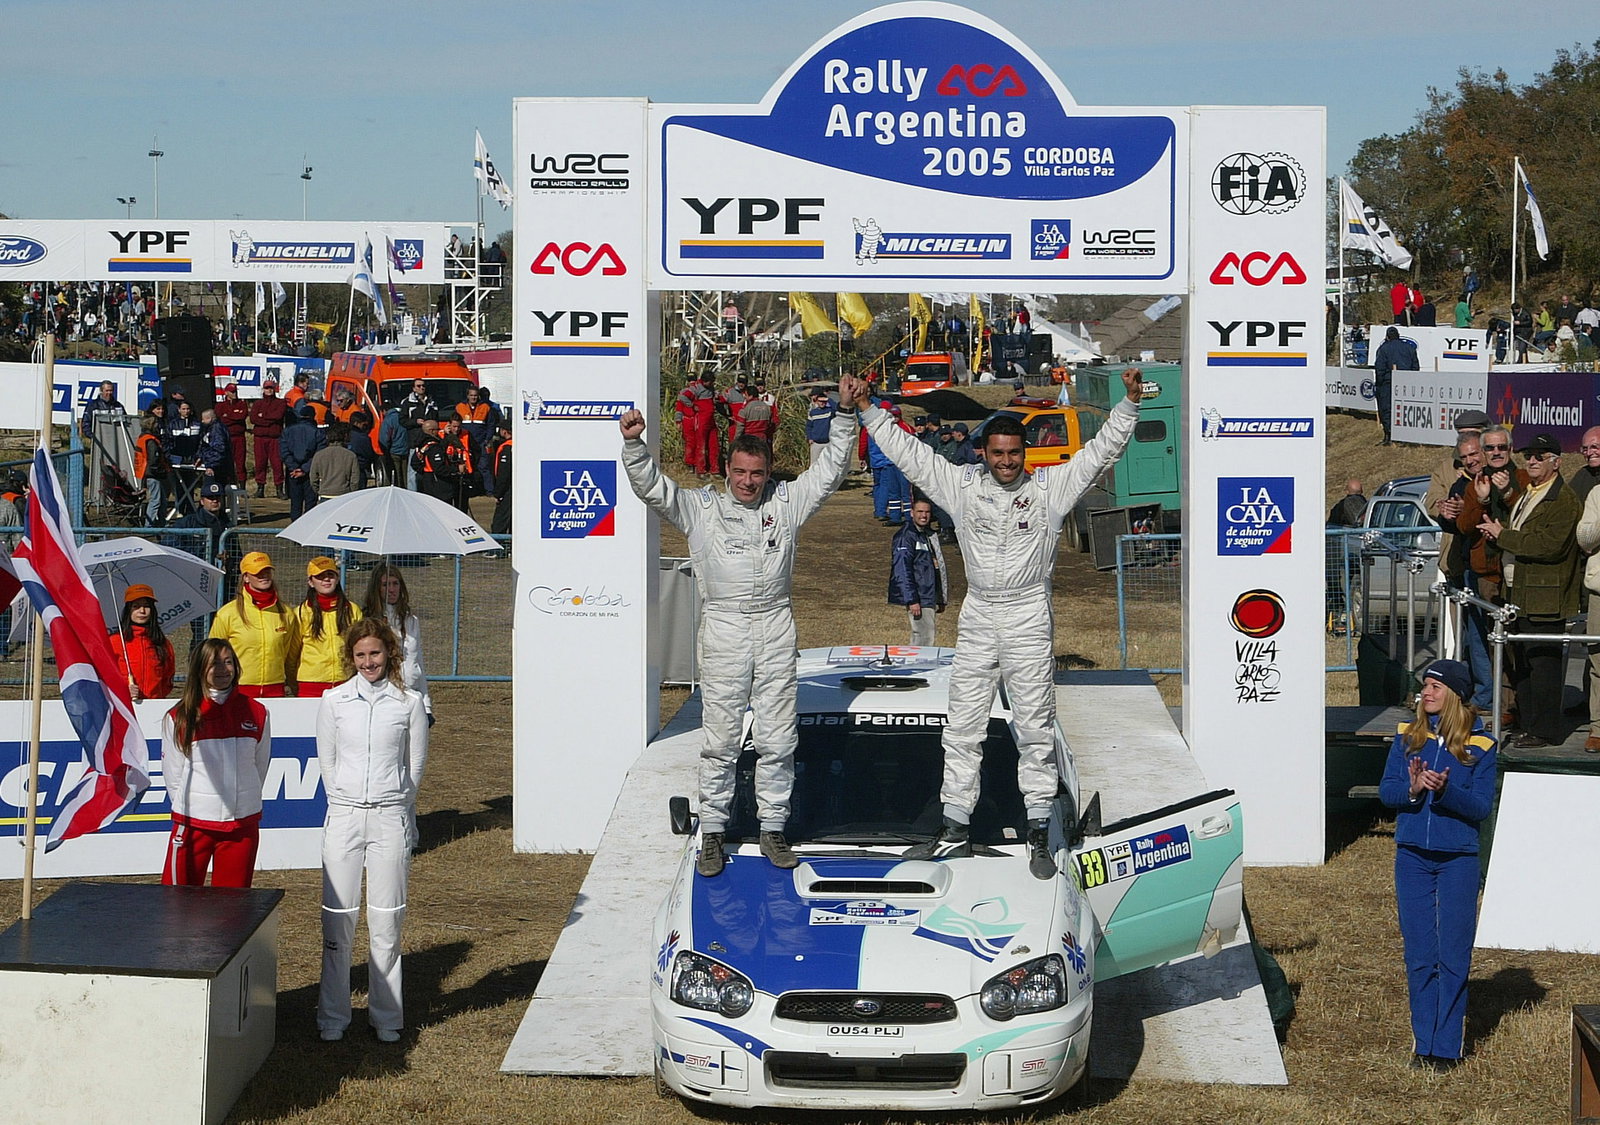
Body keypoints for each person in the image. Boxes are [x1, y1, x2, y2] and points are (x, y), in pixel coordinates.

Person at [845, 368, 1142, 878]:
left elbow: (1099, 455)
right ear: (983, 452)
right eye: (998, 453)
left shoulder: (1050, 489)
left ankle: (1038, 827)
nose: (1006, 462)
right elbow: (910, 453)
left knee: (1034, 725)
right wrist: (869, 408)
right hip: (980, 611)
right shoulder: (961, 486)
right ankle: (955, 824)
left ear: (1025, 453)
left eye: (1014, 453)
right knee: (962, 724)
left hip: (1027, 613)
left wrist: (1130, 406)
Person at [618, 396, 858, 877]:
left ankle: (773, 828)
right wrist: (633, 446)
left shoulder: (786, 505)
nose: (749, 482)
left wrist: (846, 418)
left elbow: (830, 471)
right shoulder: (700, 508)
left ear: (769, 472)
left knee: (778, 738)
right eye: (741, 472)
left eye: (758, 473)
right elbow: (654, 490)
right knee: (721, 740)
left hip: (775, 624)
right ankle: (712, 832)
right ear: (727, 469)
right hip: (725, 627)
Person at [1377, 659, 1497, 1071]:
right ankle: (1422, 1043)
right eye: (1424, 686)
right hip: (1411, 856)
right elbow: (1388, 792)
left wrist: (1445, 792)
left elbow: (1481, 807)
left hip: (1458, 861)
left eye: (1435, 687)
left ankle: (1446, 1048)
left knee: (1453, 954)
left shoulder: (1482, 745)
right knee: (1420, 955)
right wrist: (1411, 789)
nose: (1425, 693)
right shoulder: (1406, 737)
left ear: (1456, 696)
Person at [316, 617, 429, 1044]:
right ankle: (332, 1017)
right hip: (344, 817)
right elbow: (327, 762)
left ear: (389, 654)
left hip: (390, 819)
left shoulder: (408, 703)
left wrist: (397, 801)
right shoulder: (333, 701)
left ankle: (387, 1017)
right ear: (352, 657)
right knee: (338, 921)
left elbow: (414, 765)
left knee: (386, 922)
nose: (369, 662)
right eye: (361, 655)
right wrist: (345, 800)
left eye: (376, 653)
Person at [1474, 433, 1580, 748]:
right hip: (1518, 592)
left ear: (1556, 463)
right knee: (1523, 664)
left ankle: (1546, 730)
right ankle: (1529, 723)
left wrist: (1502, 535)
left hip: (1545, 595)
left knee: (1543, 665)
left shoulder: (1563, 500)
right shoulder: (1528, 492)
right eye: (1529, 456)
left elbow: (1548, 546)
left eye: (1539, 456)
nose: (1531, 461)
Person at [159, 639, 272, 887]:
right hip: (193, 825)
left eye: (228, 661)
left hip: (241, 825)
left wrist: (241, 800)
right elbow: (173, 776)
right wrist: (196, 808)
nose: (222, 669)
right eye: (213, 663)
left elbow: (259, 766)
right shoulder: (179, 716)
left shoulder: (257, 711)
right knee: (178, 904)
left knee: (232, 910)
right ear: (200, 668)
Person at [209, 551, 299, 697]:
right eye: (257, 573)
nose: (264, 576)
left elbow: (287, 655)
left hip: (274, 689)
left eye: (267, 571)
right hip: (238, 689)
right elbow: (212, 654)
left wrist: (292, 684)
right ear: (246, 577)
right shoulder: (227, 613)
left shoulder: (286, 613)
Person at [363, 563, 433, 721]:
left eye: (395, 583)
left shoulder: (411, 620)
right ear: (376, 588)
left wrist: (426, 704)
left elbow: (418, 662)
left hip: (412, 696)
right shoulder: (368, 621)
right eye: (385, 584)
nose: (391, 589)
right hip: (383, 698)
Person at [291, 556, 362, 698]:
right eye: (319, 576)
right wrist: (293, 683)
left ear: (337, 578)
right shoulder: (301, 613)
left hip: (345, 681)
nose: (326, 579)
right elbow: (292, 655)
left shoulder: (352, 610)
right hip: (311, 684)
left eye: (330, 575)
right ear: (311, 582)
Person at [888, 495, 946, 646]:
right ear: (912, 512)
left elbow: (936, 567)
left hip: (929, 595)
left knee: (925, 637)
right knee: (923, 639)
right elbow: (902, 569)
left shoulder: (928, 535)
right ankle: (920, 668)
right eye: (920, 511)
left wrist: (940, 597)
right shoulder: (906, 537)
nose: (924, 515)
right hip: (920, 597)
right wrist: (912, 599)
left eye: (927, 512)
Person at [109, 584, 175, 701]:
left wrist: (155, 697)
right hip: (124, 706)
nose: (142, 611)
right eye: (136, 606)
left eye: (146, 606)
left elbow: (167, 678)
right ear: (128, 610)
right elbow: (105, 676)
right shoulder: (115, 642)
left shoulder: (163, 644)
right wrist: (123, 690)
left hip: (153, 708)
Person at [1372, 326, 1419, 446]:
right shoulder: (1409, 348)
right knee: (1405, 409)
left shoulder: (1383, 349)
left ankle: (1390, 435)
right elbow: (1415, 367)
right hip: (1406, 382)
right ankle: (1405, 435)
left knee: (1387, 409)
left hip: (1388, 382)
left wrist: (1379, 383)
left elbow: (1380, 368)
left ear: (1387, 337)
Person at [281, 402, 326, 520]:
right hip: (310, 472)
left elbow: (284, 452)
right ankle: (307, 529)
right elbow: (319, 455)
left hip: (293, 472)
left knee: (295, 504)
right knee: (310, 504)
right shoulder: (317, 433)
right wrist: (304, 469)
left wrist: (293, 467)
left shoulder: (288, 431)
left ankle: (294, 531)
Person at [250, 380, 289, 499]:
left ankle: (279, 489)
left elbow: (278, 416)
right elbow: (253, 419)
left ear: (274, 389)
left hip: (275, 438)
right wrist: (269, 420)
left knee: (277, 464)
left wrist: (263, 417)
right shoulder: (257, 404)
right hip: (260, 438)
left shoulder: (280, 403)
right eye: (267, 388)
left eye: (271, 388)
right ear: (263, 389)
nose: (269, 390)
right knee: (260, 463)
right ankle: (260, 488)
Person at [166, 398, 204, 516]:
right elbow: (168, 441)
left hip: (193, 459)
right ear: (179, 410)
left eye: (188, 409)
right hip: (177, 460)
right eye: (183, 409)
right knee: (179, 485)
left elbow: (201, 442)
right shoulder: (172, 424)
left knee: (190, 485)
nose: (186, 411)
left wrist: (198, 456)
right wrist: (170, 457)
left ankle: (191, 510)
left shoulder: (197, 424)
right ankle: (180, 509)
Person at [310, 421, 365, 500]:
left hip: (325, 494)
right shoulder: (350, 455)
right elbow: (355, 480)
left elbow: (313, 479)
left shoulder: (319, 455)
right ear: (345, 436)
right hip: (344, 494)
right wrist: (351, 492)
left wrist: (320, 491)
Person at [216, 383, 250, 483]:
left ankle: (242, 485)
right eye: (232, 391)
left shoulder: (242, 403)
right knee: (226, 462)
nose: (234, 393)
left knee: (240, 462)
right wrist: (235, 416)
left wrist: (228, 416)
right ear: (226, 392)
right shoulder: (220, 405)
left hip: (239, 437)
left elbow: (242, 416)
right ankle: (228, 484)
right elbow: (221, 419)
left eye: (235, 391)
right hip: (226, 438)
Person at [490, 421, 513, 537]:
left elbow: (504, 473)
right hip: (515, 489)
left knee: (500, 520)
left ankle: (499, 548)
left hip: (507, 490)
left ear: (504, 431)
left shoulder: (507, 448)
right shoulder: (519, 445)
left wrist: (498, 493)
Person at [805, 389, 835, 467]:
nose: (822, 403)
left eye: (824, 401)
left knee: (828, 464)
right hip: (816, 442)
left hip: (827, 442)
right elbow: (809, 426)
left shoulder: (829, 411)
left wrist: (828, 398)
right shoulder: (813, 413)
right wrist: (810, 437)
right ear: (817, 401)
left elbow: (836, 408)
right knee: (814, 464)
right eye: (820, 401)